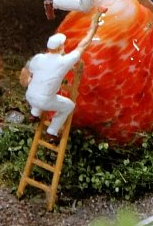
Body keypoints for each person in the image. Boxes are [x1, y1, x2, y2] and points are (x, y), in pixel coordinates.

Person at [20, 11, 103, 142]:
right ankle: (52, 132)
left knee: (40, 86)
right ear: (60, 48)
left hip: (29, 96)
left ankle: (34, 114)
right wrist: (94, 27)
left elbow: (26, 70)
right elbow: (83, 46)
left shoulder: (39, 58)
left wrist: (27, 81)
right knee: (69, 106)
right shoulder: (63, 62)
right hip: (44, 101)